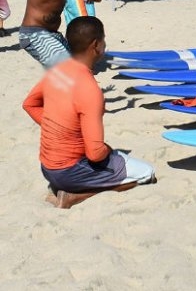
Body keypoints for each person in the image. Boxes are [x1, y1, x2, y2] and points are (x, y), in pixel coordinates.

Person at [23, 16, 155, 209]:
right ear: (96, 45)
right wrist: (107, 151)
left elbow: (29, 104)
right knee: (147, 172)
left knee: (114, 156)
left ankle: (67, 188)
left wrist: (60, 130)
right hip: (70, 172)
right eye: (103, 40)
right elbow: (95, 153)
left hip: (47, 168)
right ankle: (75, 196)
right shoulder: (90, 89)